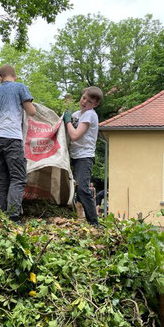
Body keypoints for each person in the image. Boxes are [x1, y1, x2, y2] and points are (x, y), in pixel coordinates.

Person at [0, 64, 36, 223]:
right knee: (18, 177)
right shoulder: (19, 87)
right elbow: (32, 111)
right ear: (15, 77)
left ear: (0, 78)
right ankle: (13, 217)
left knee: (2, 179)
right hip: (12, 137)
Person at [63, 86, 104, 226]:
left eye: (89, 101)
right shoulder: (77, 114)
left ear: (95, 104)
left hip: (84, 157)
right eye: (84, 98)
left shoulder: (90, 114)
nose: (84, 102)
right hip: (74, 156)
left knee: (82, 189)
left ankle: (94, 223)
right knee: (74, 190)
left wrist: (68, 121)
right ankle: (76, 218)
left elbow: (74, 135)